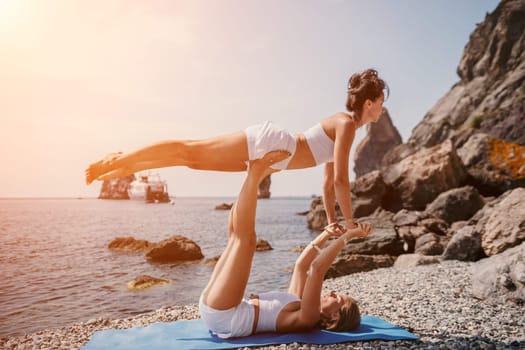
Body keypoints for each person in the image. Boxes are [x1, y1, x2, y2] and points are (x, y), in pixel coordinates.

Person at [85, 68, 387, 229]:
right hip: (273, 144)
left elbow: (328, 179)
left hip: (272, 159)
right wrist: (350, 223)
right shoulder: (346, 124)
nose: (383, 110)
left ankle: (121, 168)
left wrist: (332, 223)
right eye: (381, 103)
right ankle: (120, 158)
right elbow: (341, 182)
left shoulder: (347, 127)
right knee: (191, 149)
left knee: (192, 162)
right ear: (369, 102)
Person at [199, 150, 372, 338]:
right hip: (224, 308)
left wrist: (348, 237)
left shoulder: (308, 317)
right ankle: (254, 174)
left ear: (334, 317)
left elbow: (317, 269)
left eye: (336, 298)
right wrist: (325, 234)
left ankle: (255, 173)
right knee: (235, 237)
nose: (330, 292)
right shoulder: (298, 302)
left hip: (226, 316)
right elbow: (301, 266)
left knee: (246, 241)